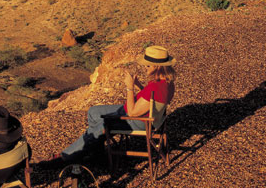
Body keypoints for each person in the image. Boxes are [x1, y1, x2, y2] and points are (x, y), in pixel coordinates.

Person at [43, 45, 176, 167]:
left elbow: (132, 112)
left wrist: (129, 88)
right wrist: (138, 85)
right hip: (148, 117)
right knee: (93, 112)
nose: (145, 68)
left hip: (140, 122)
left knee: (100, 125)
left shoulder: (156, 87)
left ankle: (65, 157)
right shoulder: (166, 83)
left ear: (157, 67)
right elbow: (148, 100)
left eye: (148, 66)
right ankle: (96, 151)